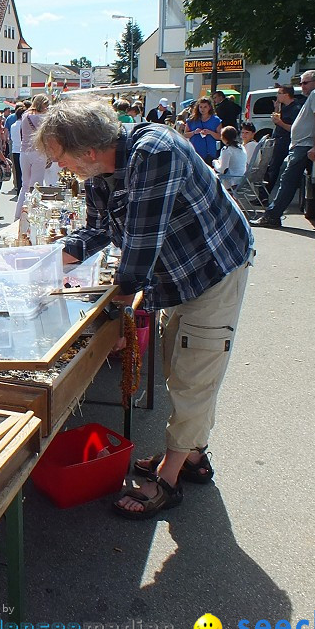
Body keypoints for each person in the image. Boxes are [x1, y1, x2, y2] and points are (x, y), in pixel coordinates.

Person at [35, 95, 252, 519]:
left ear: (90, 151)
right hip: (179, 275)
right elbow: (97, 231)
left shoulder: (156, 152)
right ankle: (192, 455)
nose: (64, 169)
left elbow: (140, 246)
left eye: (64, 159)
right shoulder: (102, 173)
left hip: (213, 268)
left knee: (194, 372)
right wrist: (42, 265)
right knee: (178, 362)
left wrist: (115, 307)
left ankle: (169, 480)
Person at [252, 70, 315, 228]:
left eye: (305, 83)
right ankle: (274, 214)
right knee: (298, 181)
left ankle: (272, 215)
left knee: (288, 180)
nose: (302, 86)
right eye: (301, 83)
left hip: (305, 146)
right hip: (304, 145)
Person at [14, 93, 51, 219]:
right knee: (36, 186)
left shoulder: (25, 115)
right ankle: (33, 215)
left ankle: (18, 215)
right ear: (43, 105)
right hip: (37, 152)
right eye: (47, 105)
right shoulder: (43, 118)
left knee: (25, 185)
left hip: (24, 152)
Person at [264, 84, 302, 195]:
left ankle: (265, 195)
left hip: (285, 140)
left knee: (274, 167)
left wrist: (279, 122)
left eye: (279, 93)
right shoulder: (284, 106)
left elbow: (293, 128)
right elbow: (278, 118)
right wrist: (276, 107)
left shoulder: (295, 109)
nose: (277, 95)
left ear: (286, 94)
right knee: (270, 166)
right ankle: (264, 194)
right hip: (278, 138)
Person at [184, 98, 222, 165]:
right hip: (195, 151)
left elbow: (220, 136)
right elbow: (185, 134)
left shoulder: (216, 120)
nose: (202, 109)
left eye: (205, 107)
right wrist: (194, 132)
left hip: (209, 153)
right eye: (200, 107)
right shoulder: (192, 120)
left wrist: (210, 132)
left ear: (209, 107)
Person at [7, 105, 23, 193]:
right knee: (24, 172)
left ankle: (19, 189)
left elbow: (11, 138)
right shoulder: (23, 124)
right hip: (23, 150)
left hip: (15, 150)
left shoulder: (13, 125)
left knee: (17, 171)